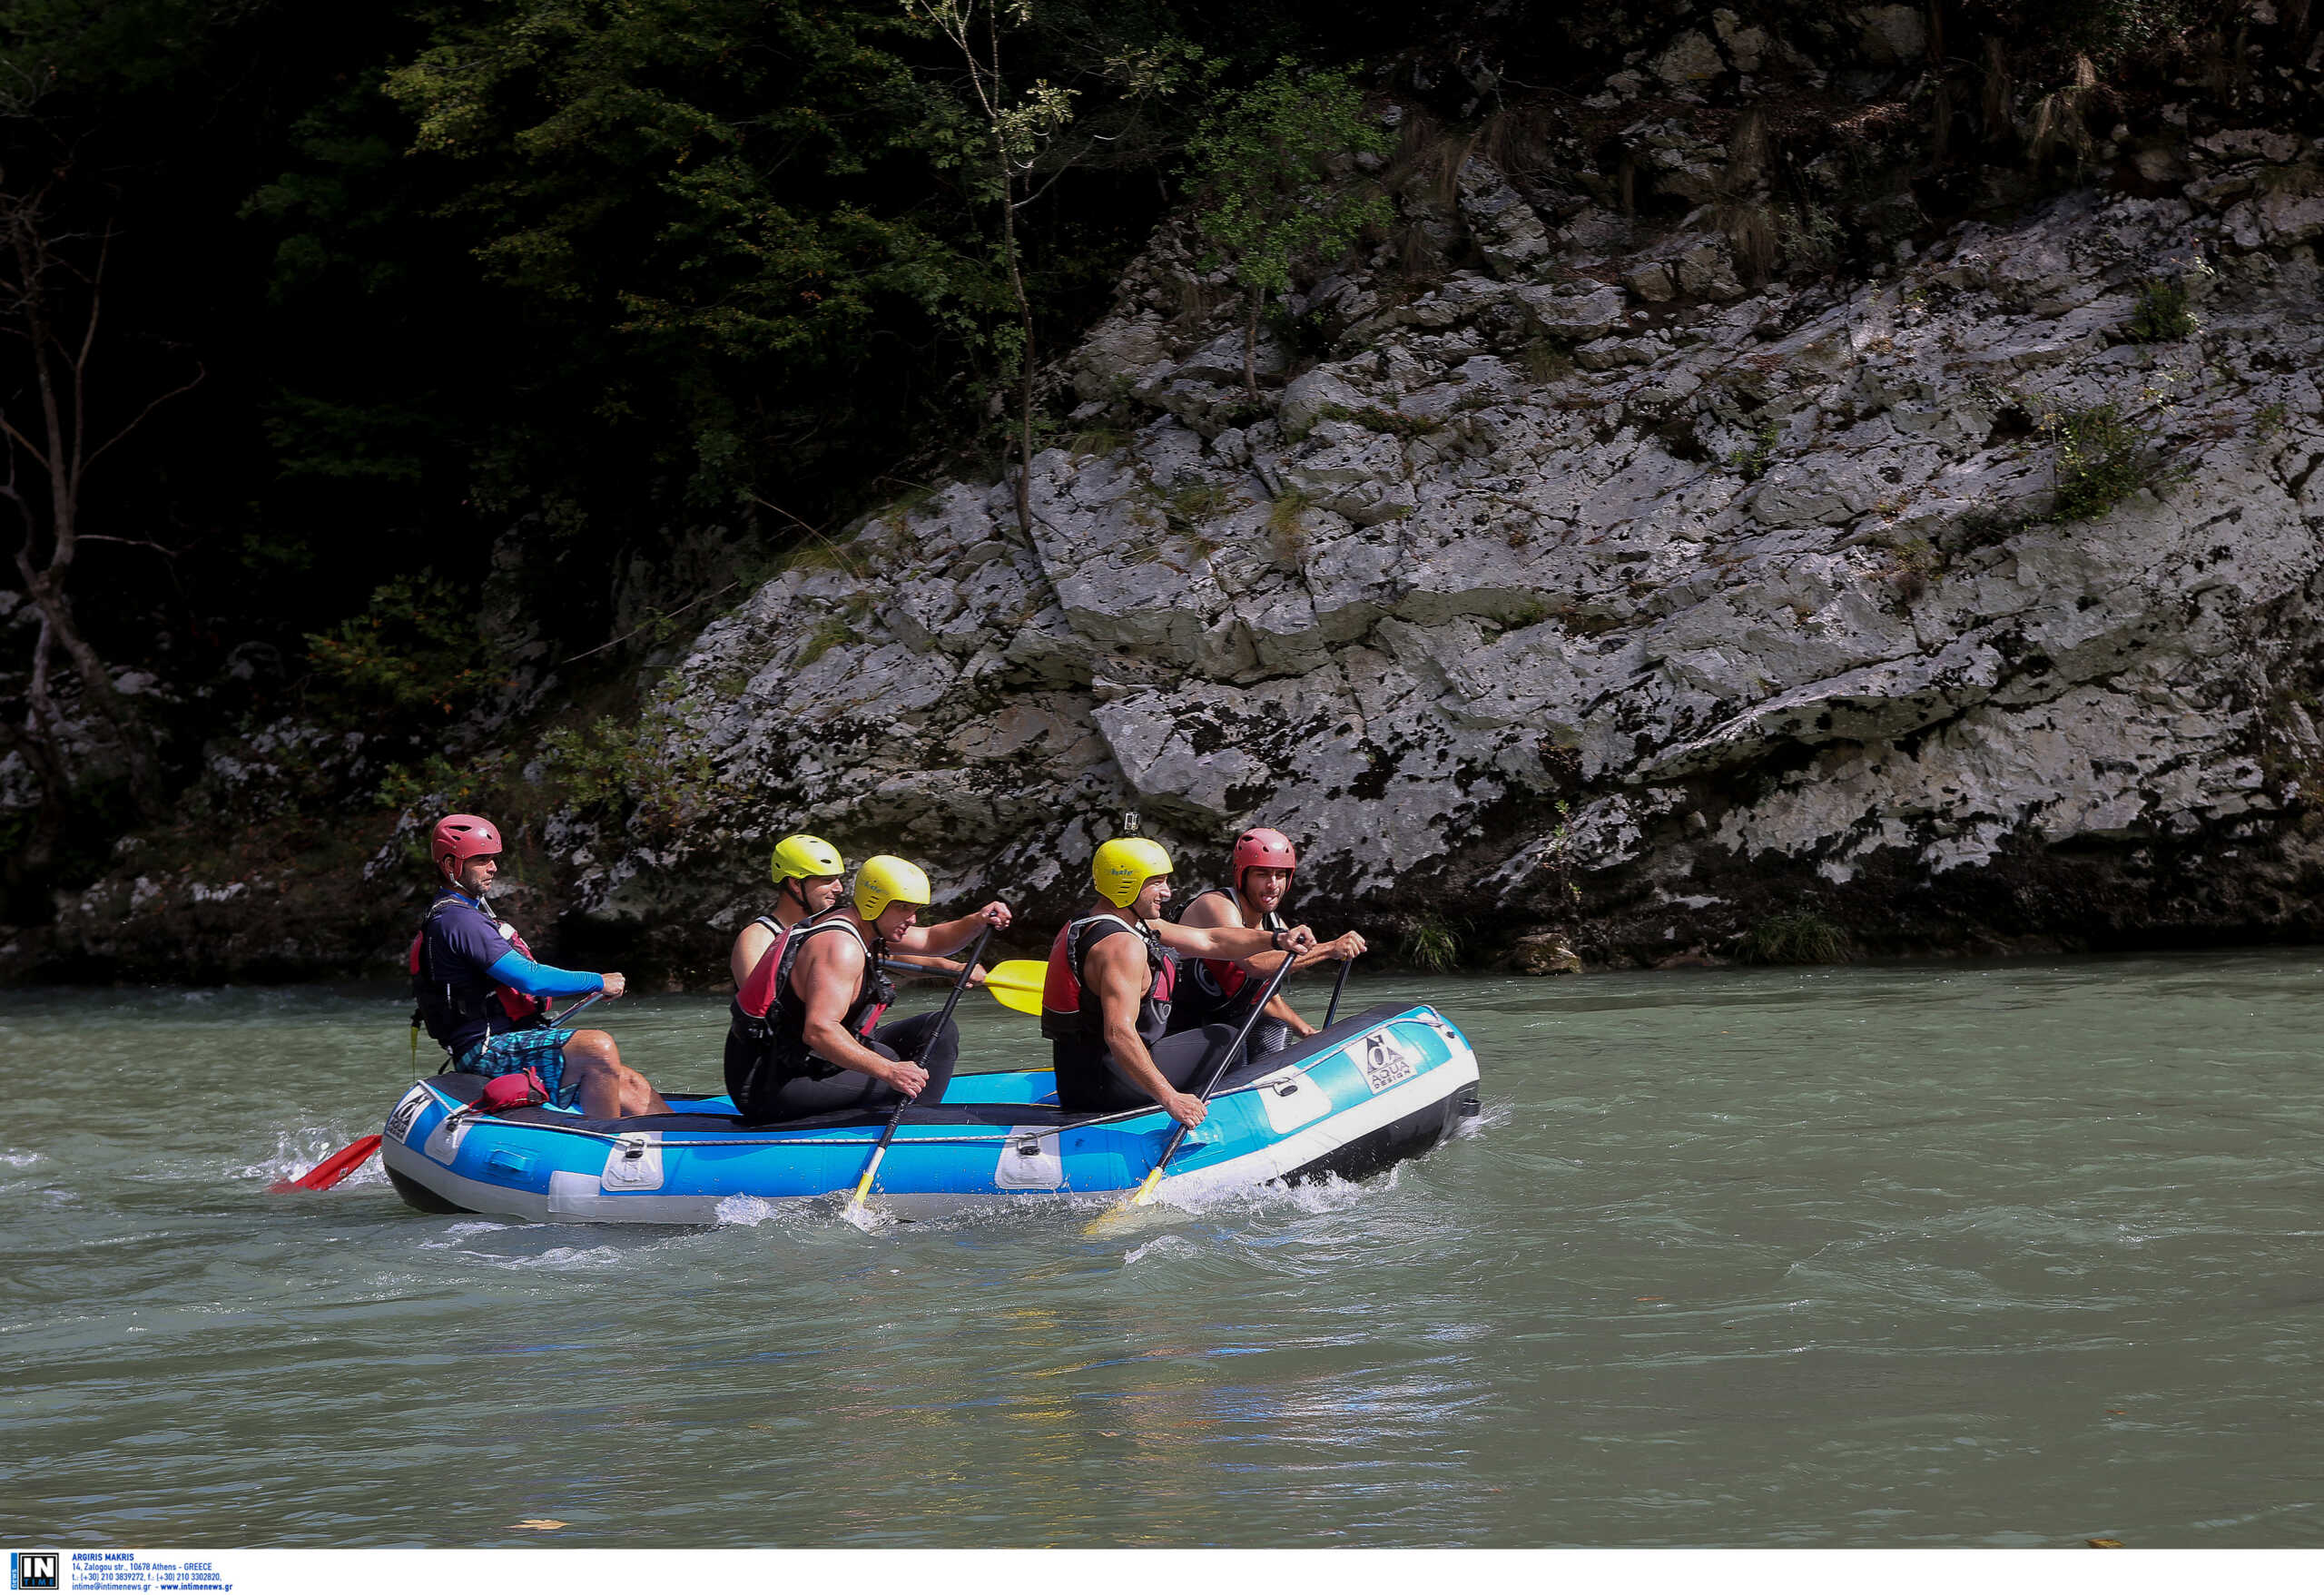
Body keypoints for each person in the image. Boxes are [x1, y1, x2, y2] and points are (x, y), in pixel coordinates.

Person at [1040, 836, 1314, 1128]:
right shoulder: (1121, 946)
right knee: (1225, 1038)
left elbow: (1212, 940)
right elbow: (1118, 1034)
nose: (1167, 892)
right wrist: (1172, 1099)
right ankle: (1236, 1125)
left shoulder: (1097, 922)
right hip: (1106, 1085)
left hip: (1079, 1079)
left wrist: (1276, 939)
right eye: (1156, 882)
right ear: (1127, 883)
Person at [410, 813, 667, 1119]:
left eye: (493, 858)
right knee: (597, 1047)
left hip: (515, 1035)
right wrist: (597, 981)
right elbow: (529, 979)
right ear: (450, 865)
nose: (493, 867)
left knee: (632, 1084)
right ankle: (607, 1146)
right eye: (481, 859)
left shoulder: (468, 914)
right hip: (486, 1048)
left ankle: (686, 1137)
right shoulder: (456, 920)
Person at [731, 854, 1011, 1122]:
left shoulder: (867, 925)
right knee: (893, 1068)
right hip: (771, 1081)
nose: (912, 918)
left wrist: (977, 920)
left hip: (805, 1058)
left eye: (914, 909)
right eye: (903, 907)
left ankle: (919, 1120)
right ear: (875, 903)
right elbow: (819, 1031)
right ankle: (914, 1130)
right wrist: (890, 1071)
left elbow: (930, 940)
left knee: (938, 1028)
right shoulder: (840, 948)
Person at [1167, 827, 1365, 1061]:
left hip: (1217, 1028)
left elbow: (1266, 996)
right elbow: (1253, 963)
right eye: (1262, 874)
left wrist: (1309, 1034)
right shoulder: (1215, 905)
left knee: (1274, 1029)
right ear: (1242, 875)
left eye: (1280, 875)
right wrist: (1330, 948)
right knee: (1232, 1041)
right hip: (1177, 1034)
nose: (1273, 885)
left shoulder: (1273, 923)